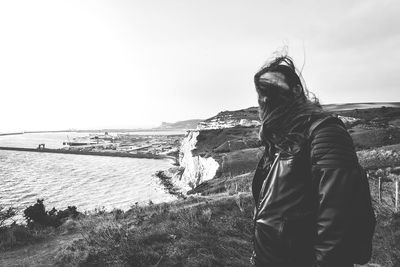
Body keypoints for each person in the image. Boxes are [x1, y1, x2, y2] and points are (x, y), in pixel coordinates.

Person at [251, 54, 375, 267]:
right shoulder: (281, 138)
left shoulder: (325, 133)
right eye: (261, 92)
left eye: (273, 89)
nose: (266, 99)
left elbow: (337, 220)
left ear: (297, 91)